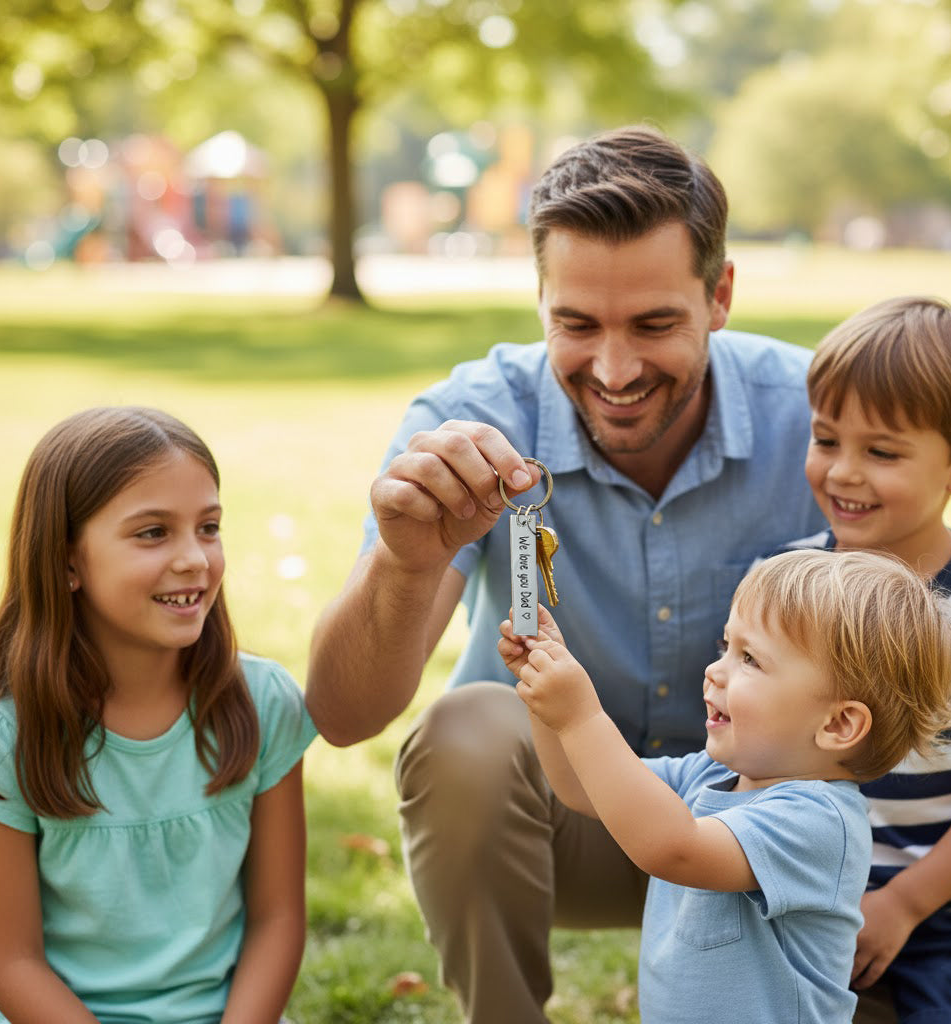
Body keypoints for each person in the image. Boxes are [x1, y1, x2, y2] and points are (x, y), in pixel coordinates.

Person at [306, 125, 825, 1023]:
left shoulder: (819, 422)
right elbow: (346, 717)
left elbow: (923, 676)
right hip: (558, 827)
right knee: (466, 726)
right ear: (540, 299)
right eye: (576, 326)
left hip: (771, 838)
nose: (614, 371)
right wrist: (404, 560)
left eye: (655, 324)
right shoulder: (469, 423)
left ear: (721, 295)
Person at [497, 548, 951, 1024]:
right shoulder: (709, 775)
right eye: (726, 647)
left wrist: (580, 717)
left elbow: (672, 848)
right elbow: (580, 787)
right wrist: (544, 692)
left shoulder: (818, 821)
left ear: (839, 723)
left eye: (750, 660)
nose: (715, 670)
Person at [0, 407, 317, 1024]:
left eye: (209, 527)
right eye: (153, 533)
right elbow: (11, 961)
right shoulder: (11, 732)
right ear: (66, 562)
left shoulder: (263, 702)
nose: (195, 558)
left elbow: (277, 918)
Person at [773, 296, 951, 1024]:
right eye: (826, 439)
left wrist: (905, 904)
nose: (843, 473)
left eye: (881, 452)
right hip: (807, 890)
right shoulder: (787, 586)